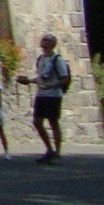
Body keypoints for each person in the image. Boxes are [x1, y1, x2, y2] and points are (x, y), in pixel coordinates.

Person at [30, 34, 72, 163]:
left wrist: (52, 85)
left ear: (51, 44)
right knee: (37, 122)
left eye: (45, 40)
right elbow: (41, 77)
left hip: (53, 95)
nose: (42, 42)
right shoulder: (41, 59)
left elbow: (65, 78)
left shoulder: (57, 60)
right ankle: (49, 150)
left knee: (53, 123)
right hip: (41, 94)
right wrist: (28, 80)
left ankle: (57, 153)